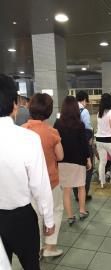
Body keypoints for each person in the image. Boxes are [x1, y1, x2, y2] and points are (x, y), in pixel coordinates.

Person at [0, 74, 55, 270]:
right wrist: (49, 220)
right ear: (15, 103)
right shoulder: (27, 139)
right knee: (31, 268)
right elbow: (40, 185)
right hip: (21, 219)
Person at [22, 93, 64, 258]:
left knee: (35, 215)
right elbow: (60, 156)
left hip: (27, 184)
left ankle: (37, 248)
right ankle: (50, 247)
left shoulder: (22, 130)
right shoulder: (52, 132)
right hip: (50, 181)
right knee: (55, 210)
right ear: (48, 111)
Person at [54, 96, 91, 225]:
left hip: (63, 161)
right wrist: (88, 159)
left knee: (67, 190)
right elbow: (84, 144)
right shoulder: (79, 125)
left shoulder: (57, 123)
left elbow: (55, 143)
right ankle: (82, 211)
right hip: (78, 161)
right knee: (81, 187)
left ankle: (70, 217)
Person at [73, 91, 93, 202]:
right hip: (83, 144)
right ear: (84, 99)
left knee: (76, 170)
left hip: (73, 145)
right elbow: (88, 129)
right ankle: (83, 194)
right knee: (88, 169)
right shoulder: (84, 111)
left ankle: (76, 195)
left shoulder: (70, 109)